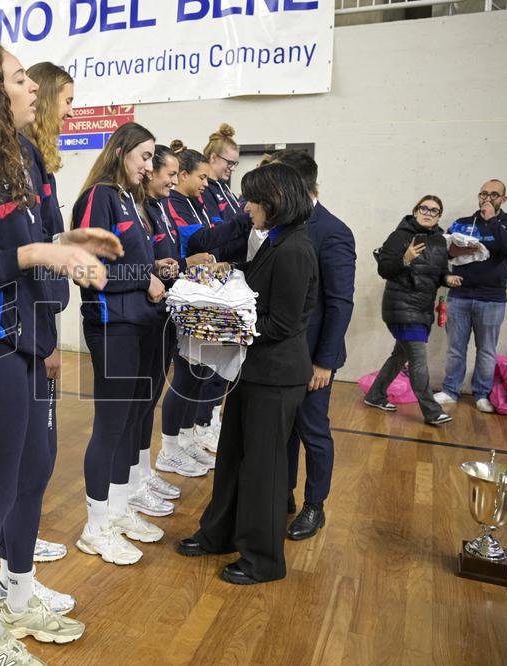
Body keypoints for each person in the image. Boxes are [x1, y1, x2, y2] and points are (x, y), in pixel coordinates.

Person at [0, 44, 120, 666]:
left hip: (25, 339)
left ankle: (18, 594)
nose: (32, 89)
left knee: (29, 474)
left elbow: (32, 240)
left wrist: (71, 242)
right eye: (20, 78)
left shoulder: (16, 154)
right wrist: (35, 255)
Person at [177, 162, 318, 586]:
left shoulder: (294, 249)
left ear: (273, 203)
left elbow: (284, 323)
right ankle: (220, 533)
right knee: (234, 459)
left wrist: (223, 325)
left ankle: (262, 559)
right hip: (253, 372)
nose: (247, 207)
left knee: (265, 470)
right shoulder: (274, 241)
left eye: (252, 199)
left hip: (277, 376)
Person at [0, 61, 75, 613]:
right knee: (17, 468)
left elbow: (43, 250)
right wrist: (40, 340)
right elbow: (2, 260)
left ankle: (17, 566)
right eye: (63, 99)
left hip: (35, 329)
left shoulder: (36, 162)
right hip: (8, 339)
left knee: (37, 463)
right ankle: (6, 576)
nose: (66, 110)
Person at [72, 122, 171, 566]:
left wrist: (157, 268)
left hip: (143, 323)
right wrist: (142, 276)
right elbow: (85, 269)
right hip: (113, 327)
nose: (150, 166)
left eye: (153, 158)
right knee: (111, 426)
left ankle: (116, 509)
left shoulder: (134, 199)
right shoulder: (99, 197)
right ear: (121, 152)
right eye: (145, 157)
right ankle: (95, 527)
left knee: (135, 418)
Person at [269, 150, 356, 541]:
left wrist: (324, 363)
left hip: (313, 356)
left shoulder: (333, 231)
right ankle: (282, 493)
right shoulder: (281, 225)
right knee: (283, 430)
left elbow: (339, 303)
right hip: (281, 353)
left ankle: (314, 506)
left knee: (312, 431)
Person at [132, 144, 213, 515]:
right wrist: (170, 267)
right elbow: (126, 266)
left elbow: (159, 263)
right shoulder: (136, 208)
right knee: (132, 409)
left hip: (161, 313)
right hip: (134, 320)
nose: (171, 179)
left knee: (148, 402)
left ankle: (140, 473)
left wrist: (177, 265)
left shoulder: (158, 208)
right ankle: (128, 485)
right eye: (167, 172)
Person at [365, 196, 461, 425]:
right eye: (424, 208)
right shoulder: (399, 236)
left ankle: (375, 394)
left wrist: (449, 278)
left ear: (438, 216)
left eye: (434, 210)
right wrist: (405, 259)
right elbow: (385, 269)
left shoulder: (439, 241)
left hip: (423, 309)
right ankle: (432, 411)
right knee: (417, 357)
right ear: (415, 211)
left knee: (400, 356)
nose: (428, 212)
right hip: (401, 307)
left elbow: (439, 273)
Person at [435, 180, 507, 413]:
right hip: (459, 295)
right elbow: (445, 251)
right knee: (455, 348)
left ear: (503, 199)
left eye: (494, 194)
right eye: (484, 193)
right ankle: (450, 390)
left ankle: (482, 394)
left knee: (486, 350)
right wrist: (461, 249)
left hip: (492, 299)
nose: (487, 198)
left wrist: (492, 220)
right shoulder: (462, 223)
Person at [158, 141, 220, 472]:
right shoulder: (173, 204)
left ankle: (184, 437)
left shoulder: (191, 202)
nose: (206, 185)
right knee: (185, 374)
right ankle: (168, 447)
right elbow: (197, 242)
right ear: (182, 174)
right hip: (180, 297)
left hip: (196, 292)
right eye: (202, 178)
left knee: (201, 372)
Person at [200, 122, 244, 224]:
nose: (232, 168)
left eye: (235, 164)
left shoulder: (224, 187)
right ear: (213, 157)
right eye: (229, 163)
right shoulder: (203, 189)